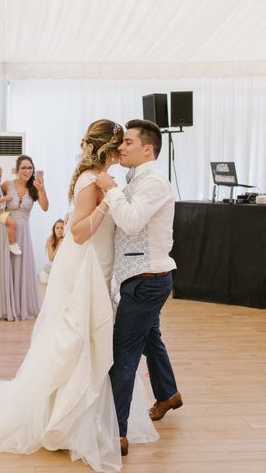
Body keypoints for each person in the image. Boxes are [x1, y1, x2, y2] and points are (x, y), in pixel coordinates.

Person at [0, 120, 158, 472]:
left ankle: (97, 413)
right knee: (77, 337)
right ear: (107, 149)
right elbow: (78, 232)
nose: (122, 150)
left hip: (97, 267)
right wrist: (104, 203)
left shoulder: (98, 178)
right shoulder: (91, 181)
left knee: (90, 338)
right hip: (85, 267)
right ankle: (68, 420)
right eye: (119, 144)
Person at [96, 119, 182, 457]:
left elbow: (131, 223)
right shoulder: (137, 179)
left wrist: (109, 189)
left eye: (128, 142)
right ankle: (168, 394)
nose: (120, 147)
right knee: (150, 338)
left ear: (148, 149)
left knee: (123, 356)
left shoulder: (155, 182)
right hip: (141, 278)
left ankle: (117, 433)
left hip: (147, 280)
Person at [0, 154, 49, 321]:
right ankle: (3, 308)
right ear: (17, 169)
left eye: (30, 167)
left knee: (20, 267)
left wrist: (41, 188)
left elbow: (45, 207)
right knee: (6, 267)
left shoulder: (35, 188)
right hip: (5, 230)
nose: (27, 171)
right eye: (23, 168)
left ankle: (20, 307)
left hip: (23, 234)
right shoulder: (6, 185)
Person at [38, 218, 64, 284]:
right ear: (54, 229)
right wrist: (59, 245)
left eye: (62, 228)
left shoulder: (66, 239)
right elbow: (51, 258)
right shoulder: (50, 240)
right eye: (57, 228)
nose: (59, 230)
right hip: (53, 263)